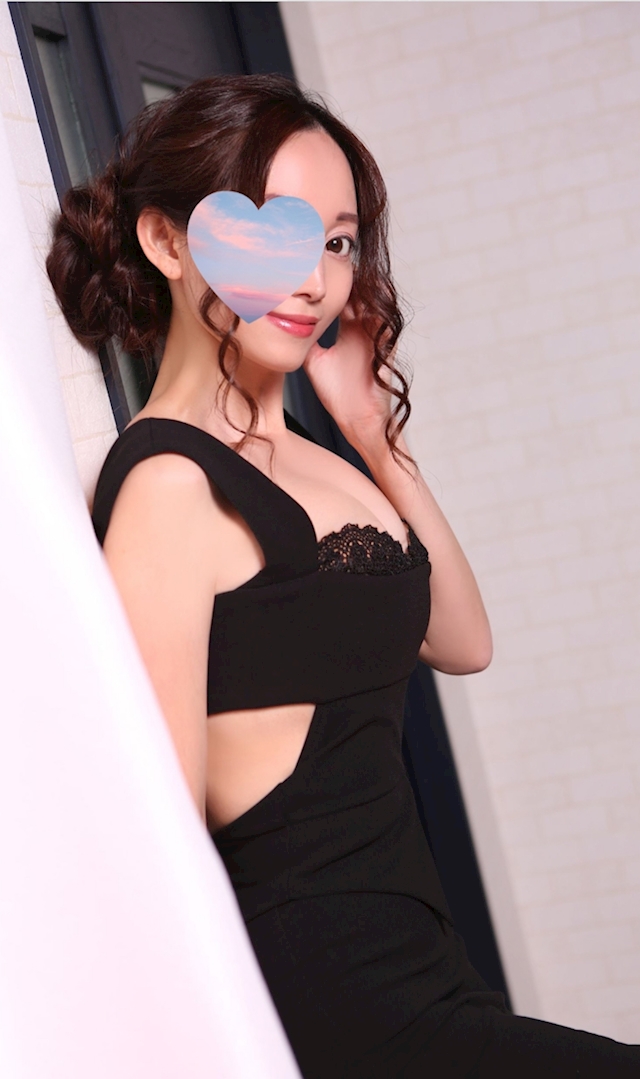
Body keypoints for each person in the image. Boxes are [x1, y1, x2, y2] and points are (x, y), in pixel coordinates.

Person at [47, 75, 640, 1078]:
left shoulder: (320, 456)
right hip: (338, 1007)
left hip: (429, 976)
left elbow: (463, 639)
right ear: (168, 240)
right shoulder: (168, 484)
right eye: (273, 230)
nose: (316, 278)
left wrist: (368, 426)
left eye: (335, 241)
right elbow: (163, 834)